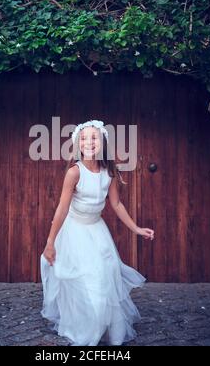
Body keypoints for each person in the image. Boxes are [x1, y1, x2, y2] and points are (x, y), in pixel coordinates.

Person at [40, 120, 154, 346]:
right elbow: (62, 208)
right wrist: (50, 241)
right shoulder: (74, 172)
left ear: (102, 142)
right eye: (83, 138)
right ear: (77, 144)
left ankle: (102, 324)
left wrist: (137, 229)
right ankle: (85, 331)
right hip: (75, 232)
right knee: (85, 281)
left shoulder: (108, 172)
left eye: (93, 138)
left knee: (105, 278)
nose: (88, 142)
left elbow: (117, 204)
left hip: (97, 231)